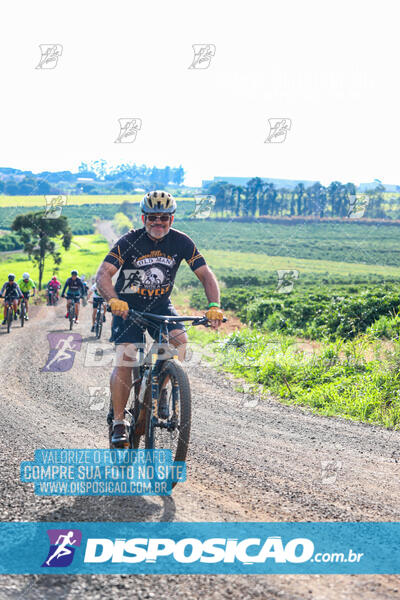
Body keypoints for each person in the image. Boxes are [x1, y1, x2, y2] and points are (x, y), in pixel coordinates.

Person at [96, 190, 224, 447]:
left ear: (172, 219)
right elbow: (103, 274)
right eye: (153, 217)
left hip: (160, 305)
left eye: (164, 218)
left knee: (179, 341)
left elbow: (206, 275)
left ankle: (161, 383)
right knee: (127, 358)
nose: (158, 222)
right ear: (144, 218)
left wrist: (214, 305)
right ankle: (120, 422)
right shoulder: (129, 241)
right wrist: (113, 300)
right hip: (128, 307)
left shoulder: (181, 242)